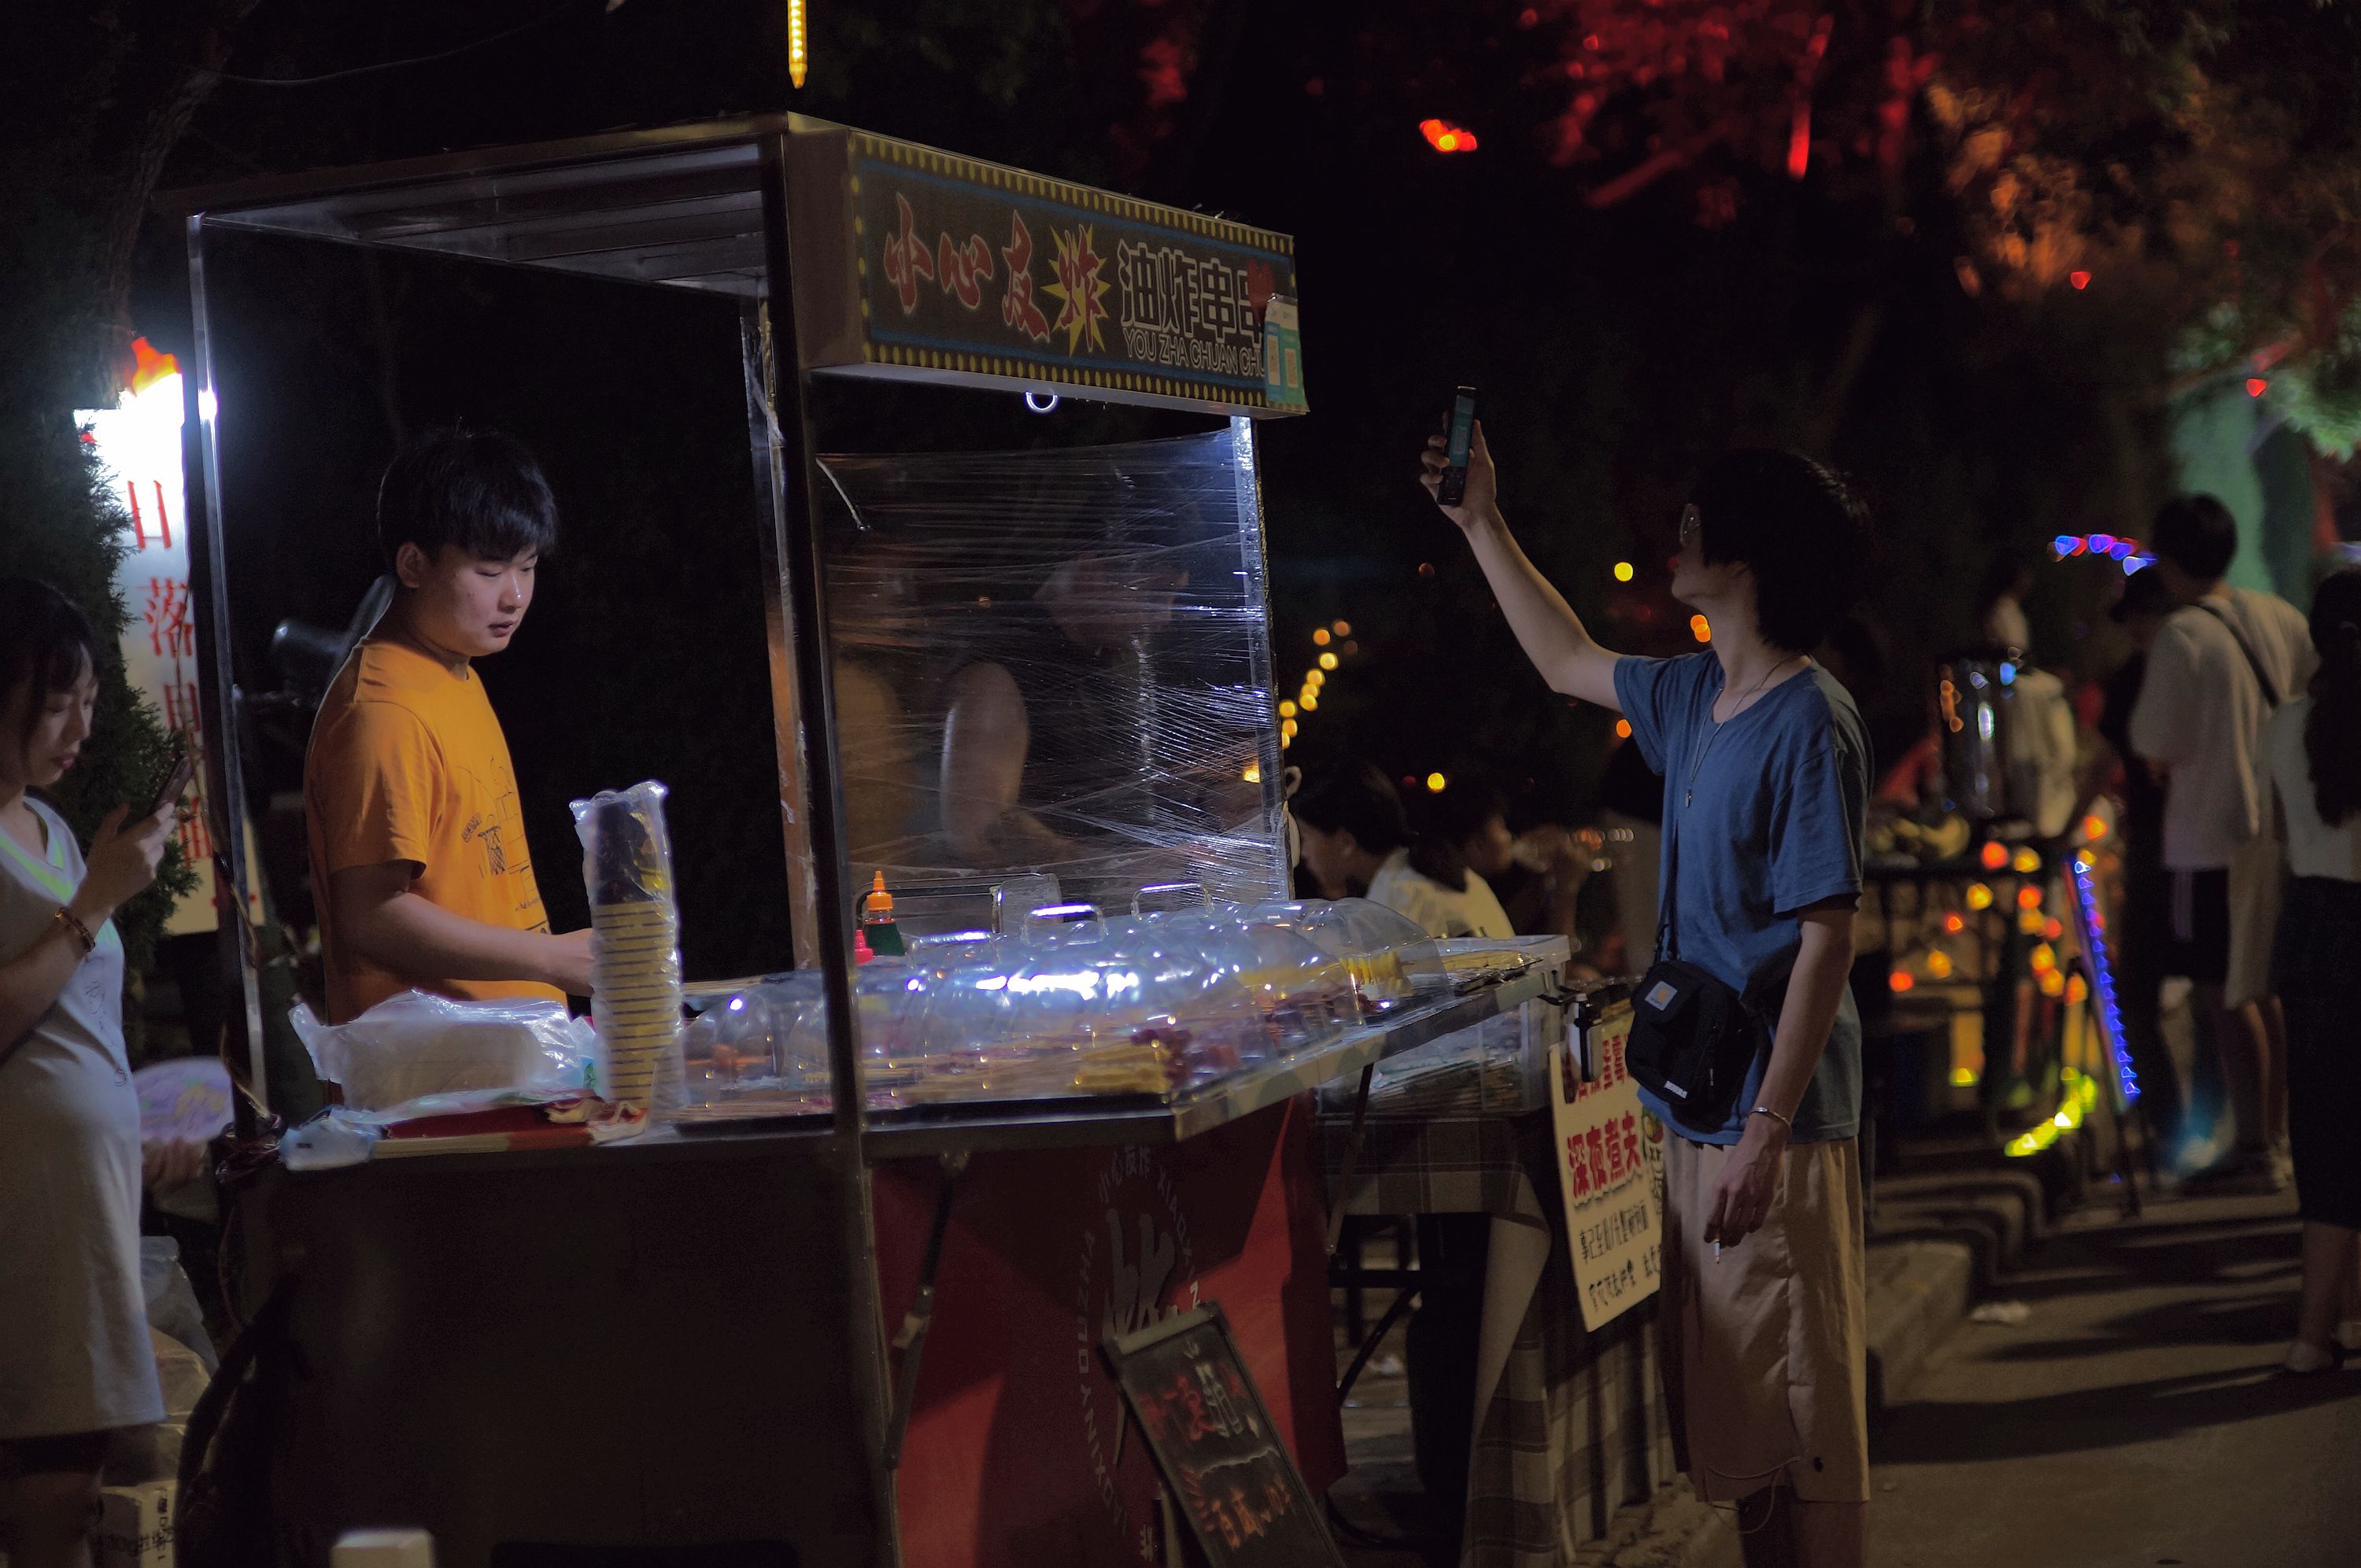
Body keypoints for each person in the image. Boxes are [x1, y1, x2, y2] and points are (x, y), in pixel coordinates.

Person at [1421, 426, 1872, 1568]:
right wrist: (1481, 520)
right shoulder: (1695, 693)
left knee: (1805, 1416)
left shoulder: (1810, 720)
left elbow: (1827, 940)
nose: (1676, 538)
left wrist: (1767, 1127)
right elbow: (1564, 657)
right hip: (1698, 1097)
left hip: (1770, 1116)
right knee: (1742, 1407)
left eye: (1695, 523)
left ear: (1749, 556)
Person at [0, 578, 188, 1568]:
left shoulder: (50, 827)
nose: (80, 728)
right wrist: (94, 903)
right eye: (56, 702)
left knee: (79, 1474)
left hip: (84, 1193)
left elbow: (76, 1027)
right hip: (26, 1200)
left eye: (89, 702)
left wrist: (138, 1124)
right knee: (51, 1468)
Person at [305, 428, 593, 1025]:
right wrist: (550, 957)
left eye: (528, 567)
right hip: (435, 1070)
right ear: (413, 564)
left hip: (501, 1053)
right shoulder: (384, 711)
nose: (515, 596)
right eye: (489, 572)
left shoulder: (454, 669)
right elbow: (372, 915)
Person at [2127, 495, 2313, 1185]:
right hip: (2277, 831)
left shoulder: (2181, 635)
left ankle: (2256, 1147)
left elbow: (2155, 740)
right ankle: (2281, 1135)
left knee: (2225, 994)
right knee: (2264, 989)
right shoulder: (2280, 616)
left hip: (2206, 838)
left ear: (2169, 560)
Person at [2266, 567, 2361, 1374]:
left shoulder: (2284, 725)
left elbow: (2279, 836)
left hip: (2312, 933)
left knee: (2327, 1141)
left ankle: (2311, 1335)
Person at [2082, 567, 2184, 1154]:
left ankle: (2171, 1130)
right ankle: (2205, 1130)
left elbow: (2102, 763)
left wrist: (2065, 828)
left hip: (2157, 847)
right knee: (2211, 992)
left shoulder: (2135, 681)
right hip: (2198, 844)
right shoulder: (2190, 669)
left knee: (2138, 994)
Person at [1291, 762, 1513, 939]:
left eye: (1305, 838)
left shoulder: (1394, 903)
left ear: (1345, 842)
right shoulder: (1432, 871)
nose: (1303, 854)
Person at [1426, 775, 1591, 940]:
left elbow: (1507, 930)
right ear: (1477, 846)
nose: (1510, 838)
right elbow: (1507, 947)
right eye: (1502, 828)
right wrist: (1566, 891)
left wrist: (1543, 880)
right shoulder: (1462, 896)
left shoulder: (1442, 887)